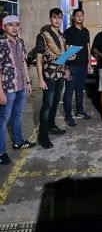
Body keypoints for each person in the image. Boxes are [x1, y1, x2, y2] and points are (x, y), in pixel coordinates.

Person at [0, 15, 36, 166]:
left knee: (18, 115)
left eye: (16, 25)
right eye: (10, 25)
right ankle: (1, 152)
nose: (14, 28)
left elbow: (23, 62)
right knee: (3, 121)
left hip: (21, 86)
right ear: (4, 27)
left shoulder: (20, 42)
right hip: (7, 88)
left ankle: (18, 141)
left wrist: (28, 82)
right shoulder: (1, 44)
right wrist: (0, 92)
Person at [36, 8, 67, 149]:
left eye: (60, 17)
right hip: (48, 75)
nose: (57, 20)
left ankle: (51, 125)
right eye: (55, 17)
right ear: (50, 18)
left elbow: (63, 56)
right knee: (47, 105)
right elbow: (39, 59)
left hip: (60, 74)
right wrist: (40, 79)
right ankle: (43, 136)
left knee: (55, 103)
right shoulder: (43, 35)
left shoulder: (62, 35)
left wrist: (66, 67)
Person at [63, 8, 91, 126]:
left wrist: (89, 63)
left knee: (80, 90)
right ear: (73, 18)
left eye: (81, 15)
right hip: (72, 66)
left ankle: (80, 111)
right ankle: (68, 116)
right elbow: (66, 49)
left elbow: (88, 47)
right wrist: (66, 67)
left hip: (83, 65)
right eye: (77, 15)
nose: (80, 17)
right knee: (69, 92)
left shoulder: (86, 31)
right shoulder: (68, 32)